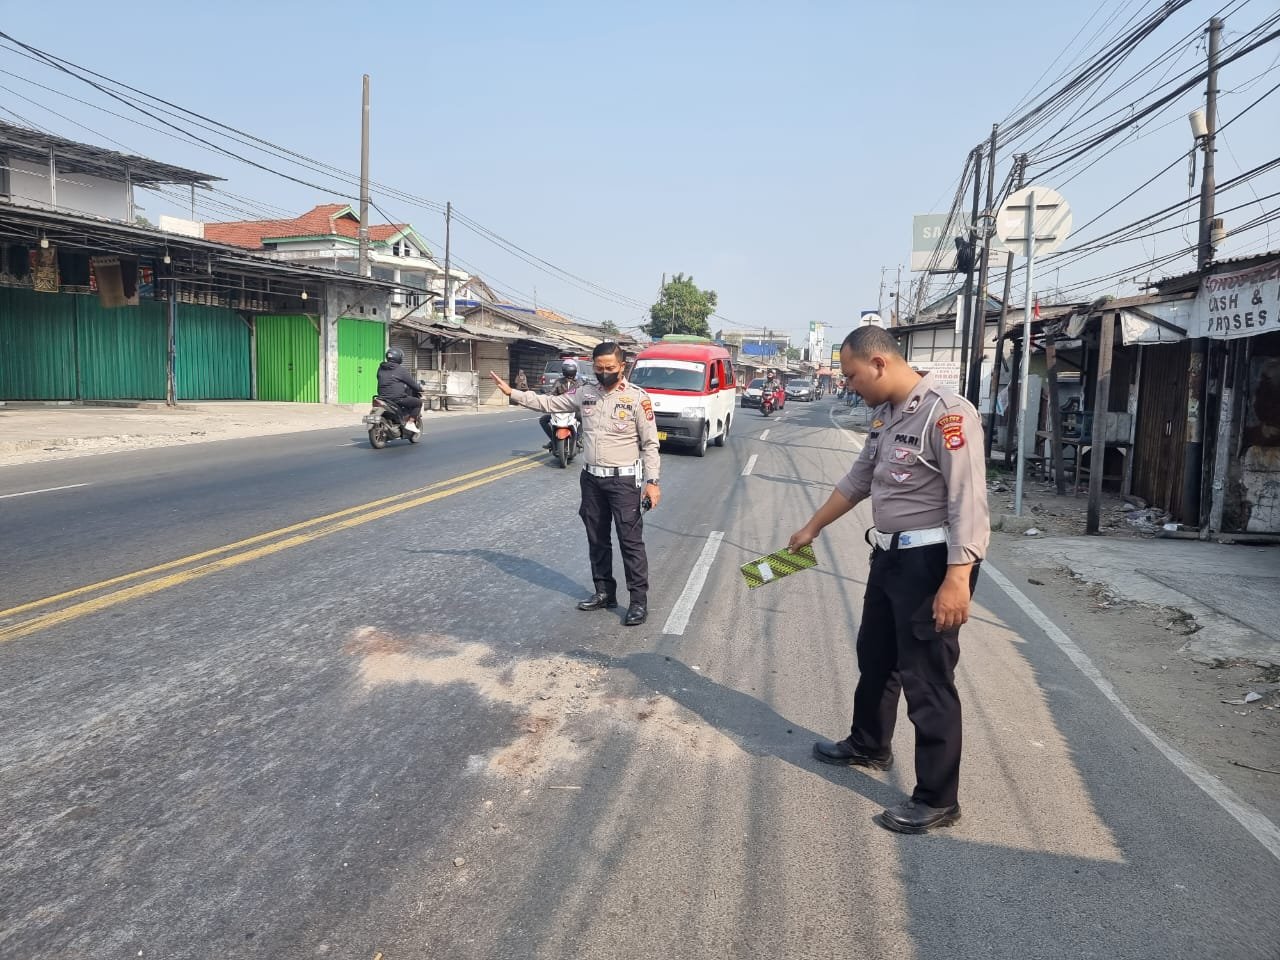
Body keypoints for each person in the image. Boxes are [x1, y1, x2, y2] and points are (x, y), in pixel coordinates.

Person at [787, 325, 989, 834]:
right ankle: (869, 743)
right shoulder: (886, 414)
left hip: (932, 565)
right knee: (875, 656)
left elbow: (969, 499)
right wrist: (812, 527)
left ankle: (938, 798)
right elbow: (859, 479)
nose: (849, 385)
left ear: (879, 364)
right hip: (890, 557)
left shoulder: (947, 414)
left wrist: (958, 578)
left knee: (927, 678)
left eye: (852, 375)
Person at [490, 342, 660, 626]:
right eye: (599, 368)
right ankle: (604, 592)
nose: (604, 372)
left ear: (622, 367)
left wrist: (652, 482)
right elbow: (550, 403)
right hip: (591, 480)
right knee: (597, 539)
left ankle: (638, 602)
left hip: (623, 481)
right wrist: (513, 393)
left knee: (630, 542)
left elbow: (651, 444)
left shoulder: (636, 399)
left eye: (610, 367)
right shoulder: (585, 393)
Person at [540, 358, 583, 450]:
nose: (569, 376)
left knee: (585, 418)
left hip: (574, 409)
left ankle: (578, 438)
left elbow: (584, 394)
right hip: (560, 410)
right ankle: (553, 440)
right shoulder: (559, 381)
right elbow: (551, 392)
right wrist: (545, 397)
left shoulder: (579, 383)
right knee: (543, 420)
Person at [376, 348, 423, 434]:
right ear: (398, 358)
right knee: (418, 403)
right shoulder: (400, 370)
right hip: (397, 398)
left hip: (382, 397)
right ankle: (410, 423)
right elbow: (412, 383)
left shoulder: (381, 368)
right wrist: (420, 389)